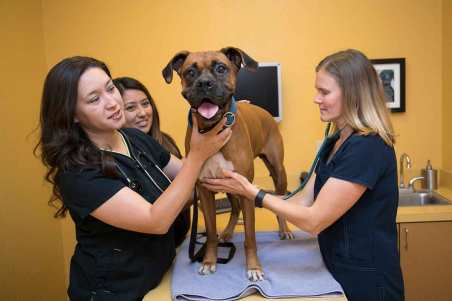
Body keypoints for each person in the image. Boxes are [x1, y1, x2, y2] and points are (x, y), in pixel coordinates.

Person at [201, 49, 404, 301]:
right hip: (334, 266)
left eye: (325, 92)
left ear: (354, 95)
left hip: (367, 278)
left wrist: (252, 192)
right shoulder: (335, 142)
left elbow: (314, 220)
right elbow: (302, 202)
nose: (316, 99)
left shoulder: (368, 146)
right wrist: (241, 191)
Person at [34, 56, 231, 300]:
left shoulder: (133, 138)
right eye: (95, 99)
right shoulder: (78, 172)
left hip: (158, 278)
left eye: (110, 88)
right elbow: (155, 220)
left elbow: (193, 182)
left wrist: (228, 118)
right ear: (72, 114)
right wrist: (198, 155)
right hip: (113, 292)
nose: (112, 103)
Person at [113, 76, 189, 247]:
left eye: (146, 104)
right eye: (131, 107)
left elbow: (191, 179)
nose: (142, 113)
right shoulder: (114, 161)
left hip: (176, 244)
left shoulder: (165, 142)